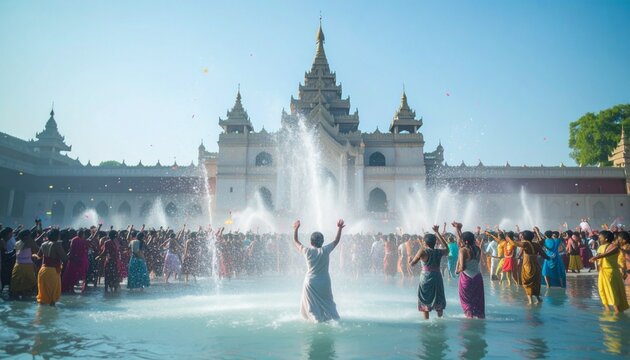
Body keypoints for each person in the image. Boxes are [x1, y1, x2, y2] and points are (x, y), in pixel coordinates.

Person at [292, 219, 344, 322]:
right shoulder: (325, 250)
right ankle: (334, 318)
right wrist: (339, 228)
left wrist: (296, 229)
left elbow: (295, 241)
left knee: (311, 305)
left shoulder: (307, 251)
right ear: (323, 242)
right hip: (324, 281)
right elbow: (336, 241)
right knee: (328, 302)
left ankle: (316, 320)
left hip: (310, 282)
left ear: (311, 242)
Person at [409, 226, 448, 320]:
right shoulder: (439, 252)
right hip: (437, 277)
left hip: (426, 277)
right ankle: (440, 319)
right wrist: (438, 233)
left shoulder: (422, 251)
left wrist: (410, 261)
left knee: (425, 299)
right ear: (435, 242)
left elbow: (412, 264)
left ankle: (426, 321)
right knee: (438, 297)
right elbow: (447, 248)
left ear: (425, 243)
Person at [505, 228, 550, 305]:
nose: (520, 236)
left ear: (523, 237)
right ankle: (538, 299)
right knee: (535, 283)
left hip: (528, 267)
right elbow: (544, 254)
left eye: (521, 235)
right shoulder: (536, 244)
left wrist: (508, 238)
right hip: (536, 266)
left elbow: (514, 243)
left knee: (527, 282)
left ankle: (530, 301)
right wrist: (549, 258)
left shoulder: (525, 244)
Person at [589, 230, 629, 313]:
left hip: (611, 272)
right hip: (602, 272)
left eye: (600, 237)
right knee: (602, 290)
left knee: (612, 291)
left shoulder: (614, 247)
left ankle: (617, 311)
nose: (599, 239)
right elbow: (599, 256)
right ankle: (607, 309)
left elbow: (609, 253)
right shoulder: (600, 247)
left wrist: (597, 257)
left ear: (606, 239)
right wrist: (596, 258)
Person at [451, 222, 484, 318]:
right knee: (478, 300)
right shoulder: (477, 249)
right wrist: (458, 229)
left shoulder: (463, 250)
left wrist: (457, 271)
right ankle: (480, 317)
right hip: (478, 278)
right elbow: (463, 241)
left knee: (466, 302)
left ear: (465, 241)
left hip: (466, 278)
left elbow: (463, 267)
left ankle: (469, 320)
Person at [35, 229, 67, 305]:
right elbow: (64, 258)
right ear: (57, 236)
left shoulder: (43, 244)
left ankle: (41, 315)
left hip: (42, 271)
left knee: (43, 296)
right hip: (52, 271)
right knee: (52, 299)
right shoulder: (56, 244)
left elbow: (38, 256)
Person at [61, 227, 94, 293]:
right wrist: (97, 229)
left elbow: (71, 250)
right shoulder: (83, 241)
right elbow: (91, 239)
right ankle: (74, 288)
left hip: (73, 259)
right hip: (80, 261)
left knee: (71, 274)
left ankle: (70, 288)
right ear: (82, 235)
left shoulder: (74, 239)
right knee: (78, 275)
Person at [10, 229, 39, 298]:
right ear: (26, 236)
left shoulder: (17, 242)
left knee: (15, 285)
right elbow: (38, 250)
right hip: (26, 266)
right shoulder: (29, 242)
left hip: (18, 265)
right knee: (33, 283)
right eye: (29, 235)